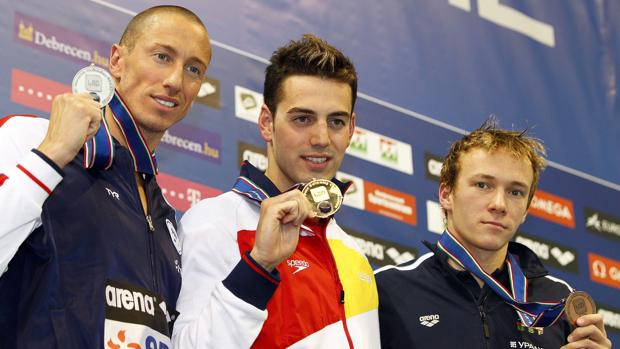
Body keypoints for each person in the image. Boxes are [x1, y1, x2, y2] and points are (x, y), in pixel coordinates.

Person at [0, 5, 211, 348]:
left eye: (193, 69)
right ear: (116, 61)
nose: (175, 80)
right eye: (161, 56)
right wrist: (51, 155)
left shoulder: (167, 218)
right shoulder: (30, 140)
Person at [172, 34, 380, 348]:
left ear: (351, 129)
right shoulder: (216, 222)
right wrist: (258, 265)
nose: (321, 138)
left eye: (335, 121)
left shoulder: (354, 253)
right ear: (267, 123)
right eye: (303, 119)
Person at [375, 120, 612, 348]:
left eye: (516, 192)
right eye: (483, 185)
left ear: (526, 210)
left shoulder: (557, 303)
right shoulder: (387, 290)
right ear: (446, 195)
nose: (499, 204)